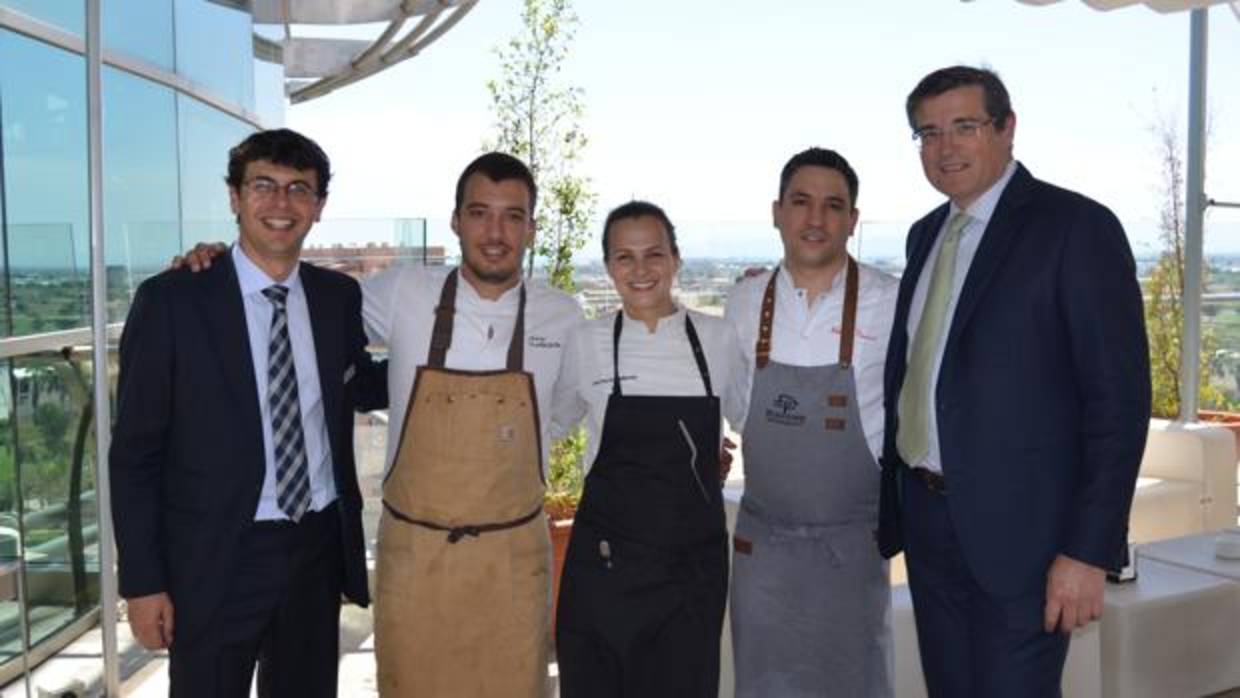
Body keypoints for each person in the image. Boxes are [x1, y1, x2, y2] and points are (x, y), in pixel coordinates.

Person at [878, 65, 1150, 697]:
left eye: (964, 127)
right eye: (928, 133)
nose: (944, 148)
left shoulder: (1077, 229)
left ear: (1007, 129)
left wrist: (1087, 551)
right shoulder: (925, 236)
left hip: (1028, 541)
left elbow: (1117, 403)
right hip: (928, 523)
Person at [110, 128, 387, 697]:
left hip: (314, 551)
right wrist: (142, 584)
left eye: (298, 189)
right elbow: (135, 455)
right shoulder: (173, 300)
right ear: (235, 197)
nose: (281, 203)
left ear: (319, 206)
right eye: (264, 185)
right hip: (213, 560)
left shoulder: (338, 298)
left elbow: (361, 383)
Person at [363, 152, 582, 696]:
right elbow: (302, 303)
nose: (495, 232)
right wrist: (218, 265)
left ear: (531, 228)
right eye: (480, 213)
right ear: (456, 220)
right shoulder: (404, 292)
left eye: (513, 216)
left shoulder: (563, 314)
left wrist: (508, 450)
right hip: (415, 559)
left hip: (512, 563)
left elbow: (569, 409)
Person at [552, 201, 745, 698]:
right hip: (606, 566)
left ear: (676, 260)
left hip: (691, 575)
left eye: (654, 254)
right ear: (608, 266)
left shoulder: (720, 338)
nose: (641, 271)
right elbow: (549, 425)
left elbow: (753, 423)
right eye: (624, 257)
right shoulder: (587, 341)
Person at [725, 147, 898, 697]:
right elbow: (732, 406)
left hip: (851, 552)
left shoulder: (890, 300)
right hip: (763, 556)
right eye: (801, 202)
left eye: (833, 205)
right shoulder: (745, 300)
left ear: (852, 219)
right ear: (777, 211)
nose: (816, 219)